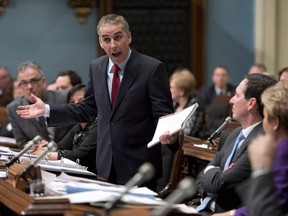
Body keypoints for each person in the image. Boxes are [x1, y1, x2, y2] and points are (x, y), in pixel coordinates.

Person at [16, 14, 178, 190]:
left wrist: (170, 134)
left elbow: (164, 114)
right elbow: (88, 109)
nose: (113, 45)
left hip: (139, 166)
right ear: (100, 42)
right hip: (104, 164)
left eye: (118, 37)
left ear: (129, 36)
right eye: (106, 39)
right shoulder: (97, 67)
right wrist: (47, 110)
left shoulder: (151, 68)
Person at [195, 74, 276, 214]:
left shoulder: (260, 142)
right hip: (203, 207)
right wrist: (215, 173)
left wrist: (212, 172)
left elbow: (218, 185)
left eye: (237, 95)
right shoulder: (233, 134)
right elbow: (200, 178)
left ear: (251, 104)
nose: (231, 100)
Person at [214, 81, 288, 216]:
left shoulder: (282, 152)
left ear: (275, 123)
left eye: (265, 117)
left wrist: (261, 168)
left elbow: (265, 209)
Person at [29, 84, 97, 173]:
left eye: (81, 101)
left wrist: (45, 154)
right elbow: (59, 147)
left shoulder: (98, 125)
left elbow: (79, 156)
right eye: (72, 103)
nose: (76, 105)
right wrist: (39, 148)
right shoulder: (78, 127)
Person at [7, 61, 73, 148]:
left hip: (67, 155)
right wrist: (30, 146)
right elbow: (22, 143)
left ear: (44, 81)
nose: (29, 87)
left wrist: (53, 147)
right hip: (38, 157)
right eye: (24, 83)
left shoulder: (65, 98)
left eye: (34, 81)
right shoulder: (13, 108)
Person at [169, 68, 205, 137]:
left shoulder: (195, 106)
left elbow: (188, 132)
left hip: (193, 144)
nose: (169, 90)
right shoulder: (174, 105)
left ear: (182, 91)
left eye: (172, 87)